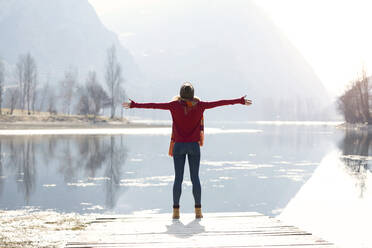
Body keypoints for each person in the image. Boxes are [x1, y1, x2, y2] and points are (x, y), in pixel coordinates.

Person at [122, 82, 252, 219]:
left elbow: (153, 105)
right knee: (195, 178)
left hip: (178, 146)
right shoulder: (200, 106)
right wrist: (240, 101)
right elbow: (221, 103)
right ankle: (198, 211)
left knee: (178, 179)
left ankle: (176, 212)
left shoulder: (173, 106)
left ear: (181, 94)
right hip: (193, 147)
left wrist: (134, 105)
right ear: (193, 94)